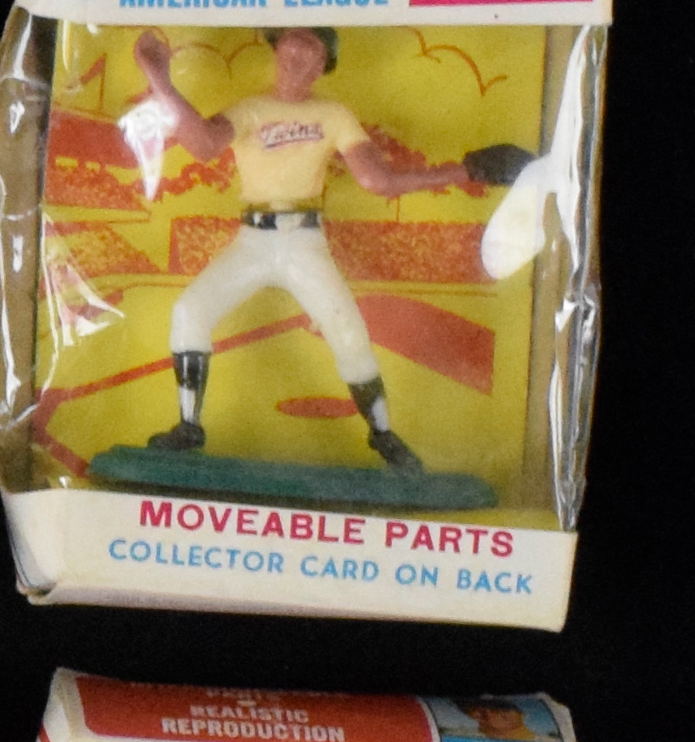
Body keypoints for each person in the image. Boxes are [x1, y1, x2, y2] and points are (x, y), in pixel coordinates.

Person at [130, 24, 481, 472]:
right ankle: (188, 426)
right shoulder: (252, 109)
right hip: (254, 239)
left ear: (323, 65)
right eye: (290, 41)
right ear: (276, 50)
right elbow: (202, 144)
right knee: (189, 311)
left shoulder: (332, 114)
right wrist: (159, 78)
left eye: (310, 46)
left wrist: (466, 171)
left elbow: (378, 180)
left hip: (302, 241)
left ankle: (383, 434)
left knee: (348, 331)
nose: (296, 52)